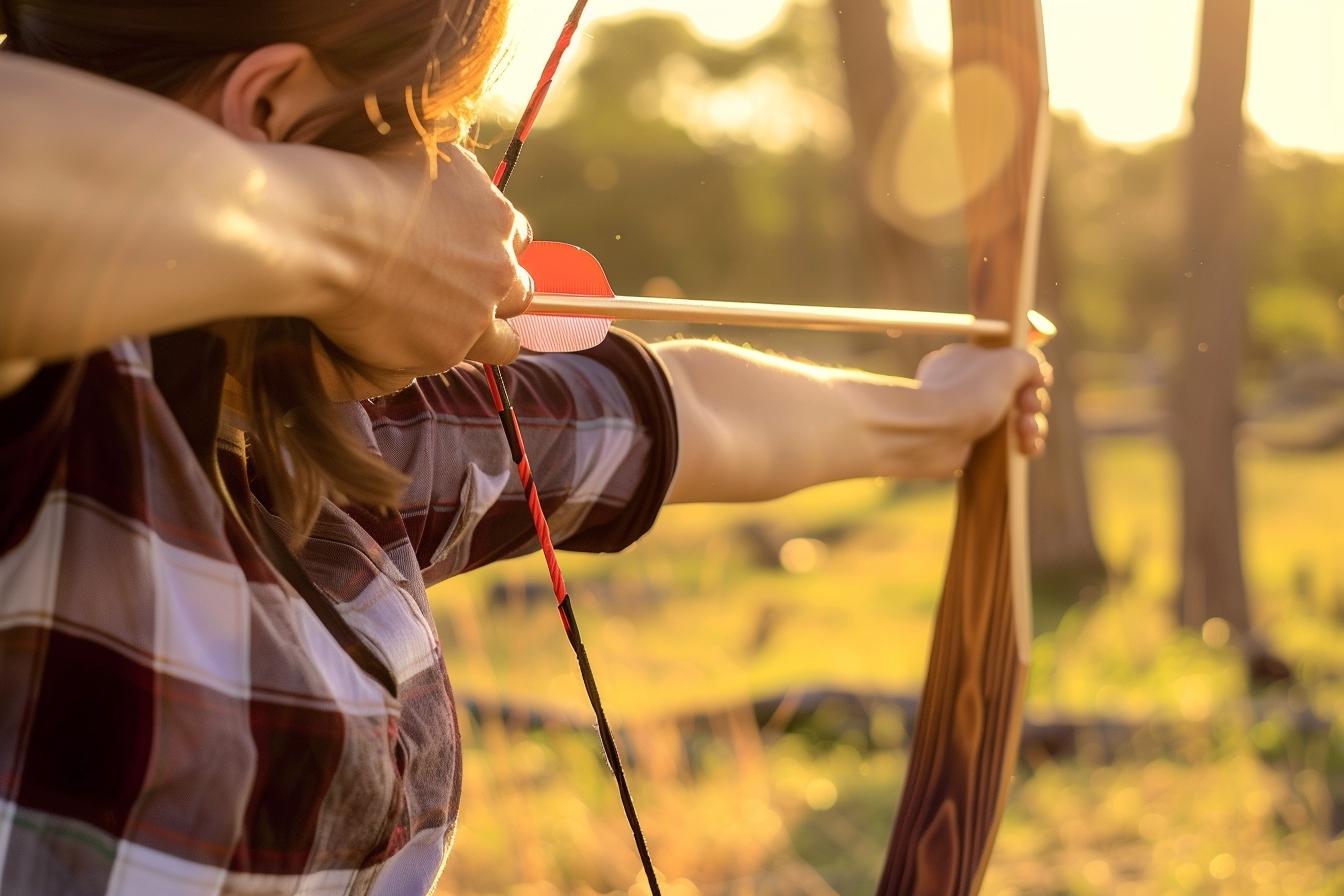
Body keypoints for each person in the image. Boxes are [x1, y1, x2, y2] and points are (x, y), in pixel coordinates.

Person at [0, 2, 1051, 894]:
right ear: (270, 107)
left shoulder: (332, 433)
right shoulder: (56, 412)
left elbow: (686, 415)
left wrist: (946, 419)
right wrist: (360, 234)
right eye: (441, 129)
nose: (479, 194)